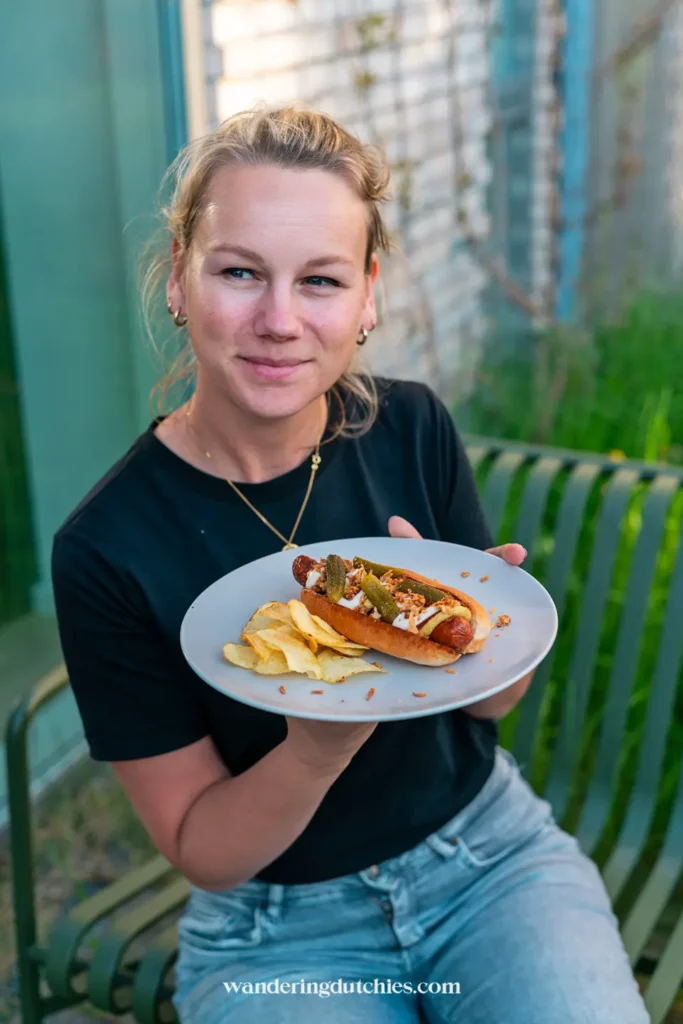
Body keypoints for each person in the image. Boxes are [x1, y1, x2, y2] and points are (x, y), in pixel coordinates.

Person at [51, 107, 649, 1024]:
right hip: (275, 931)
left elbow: (489, 705)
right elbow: (202, 848)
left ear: (367, 295)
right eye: (240, 271)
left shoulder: (410, 427)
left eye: (320, 280)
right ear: (179, 278)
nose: (279, 321)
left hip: (488, 862)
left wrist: (482, 641)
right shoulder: (105, 546)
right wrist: (314, 753)